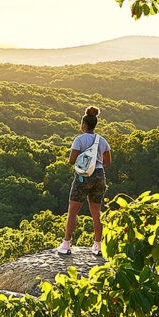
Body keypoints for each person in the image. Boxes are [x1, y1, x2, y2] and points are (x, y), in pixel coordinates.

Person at [58, 106, 111, 256]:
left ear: (84, 125)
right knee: (96, 212)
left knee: (73, 211)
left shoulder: (79, 140)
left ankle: (66, 244)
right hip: (99, 176)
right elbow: (107, 162)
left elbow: (71, 160)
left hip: (83, 177)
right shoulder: (102, 141)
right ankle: (98, 246)